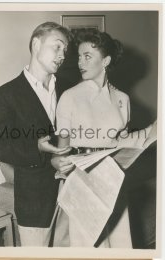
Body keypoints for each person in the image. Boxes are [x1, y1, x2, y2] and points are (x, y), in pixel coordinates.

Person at [49, 28, 155, 247]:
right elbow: (63, 149)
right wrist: (59, 164)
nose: (81, 62)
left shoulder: (122, 99)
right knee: (86, 244)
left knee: (119, 241)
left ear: (105, 61)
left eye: (88, 56)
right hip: (81, 179)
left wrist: (150, 133)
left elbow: (122, 141)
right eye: (79, 56)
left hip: (113, 176)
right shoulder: (69, 97)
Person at [0, 22, 71, 246]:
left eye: (65, 50)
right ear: (36, 44)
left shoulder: (68, 90)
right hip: (34, 197)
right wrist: (36, 147)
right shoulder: (3, 96)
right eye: (58, 47)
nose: (63, 55)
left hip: (71, 195)